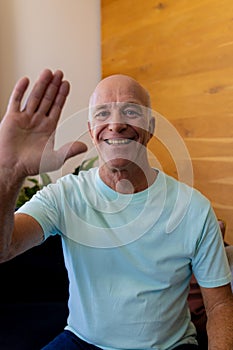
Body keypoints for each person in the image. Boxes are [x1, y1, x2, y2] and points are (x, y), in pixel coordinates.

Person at [0, 69, 233, 350]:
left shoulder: (193, 208)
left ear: (151, 127)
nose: (116, 123)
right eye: (102, 114)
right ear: (91, 129)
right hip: (81, 341)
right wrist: (10, 170)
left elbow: (219, 305)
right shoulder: (65, 195)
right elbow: (4, 249)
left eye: (131, 111)